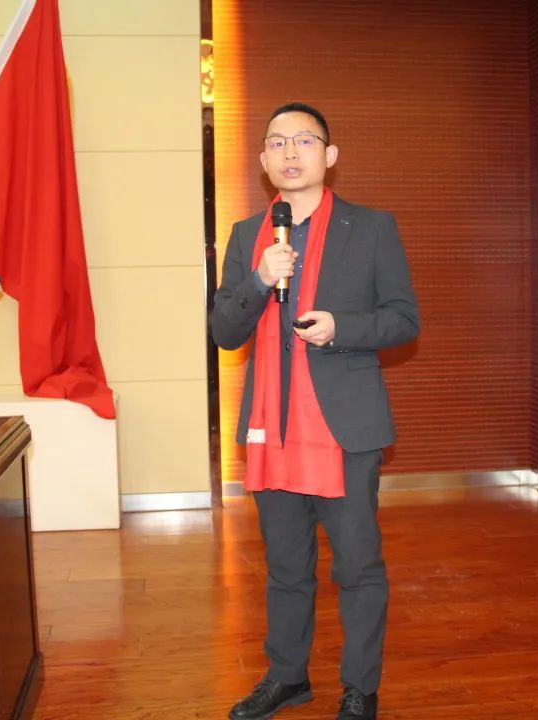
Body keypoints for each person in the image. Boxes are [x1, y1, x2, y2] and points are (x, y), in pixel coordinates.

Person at [211, 102, 420, 720]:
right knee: (285, 567)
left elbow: (404, 319)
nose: (290, 151)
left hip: (342, 429)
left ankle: (360, 687)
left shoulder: (372, 227)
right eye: (278, 142)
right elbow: (224, 330)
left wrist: (341, 328)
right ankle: (287, 677)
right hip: (270, 427)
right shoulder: (247, 236)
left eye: (304, 140)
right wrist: (258, 280)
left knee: (357, 565)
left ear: (329, 156)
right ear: (263, 160)